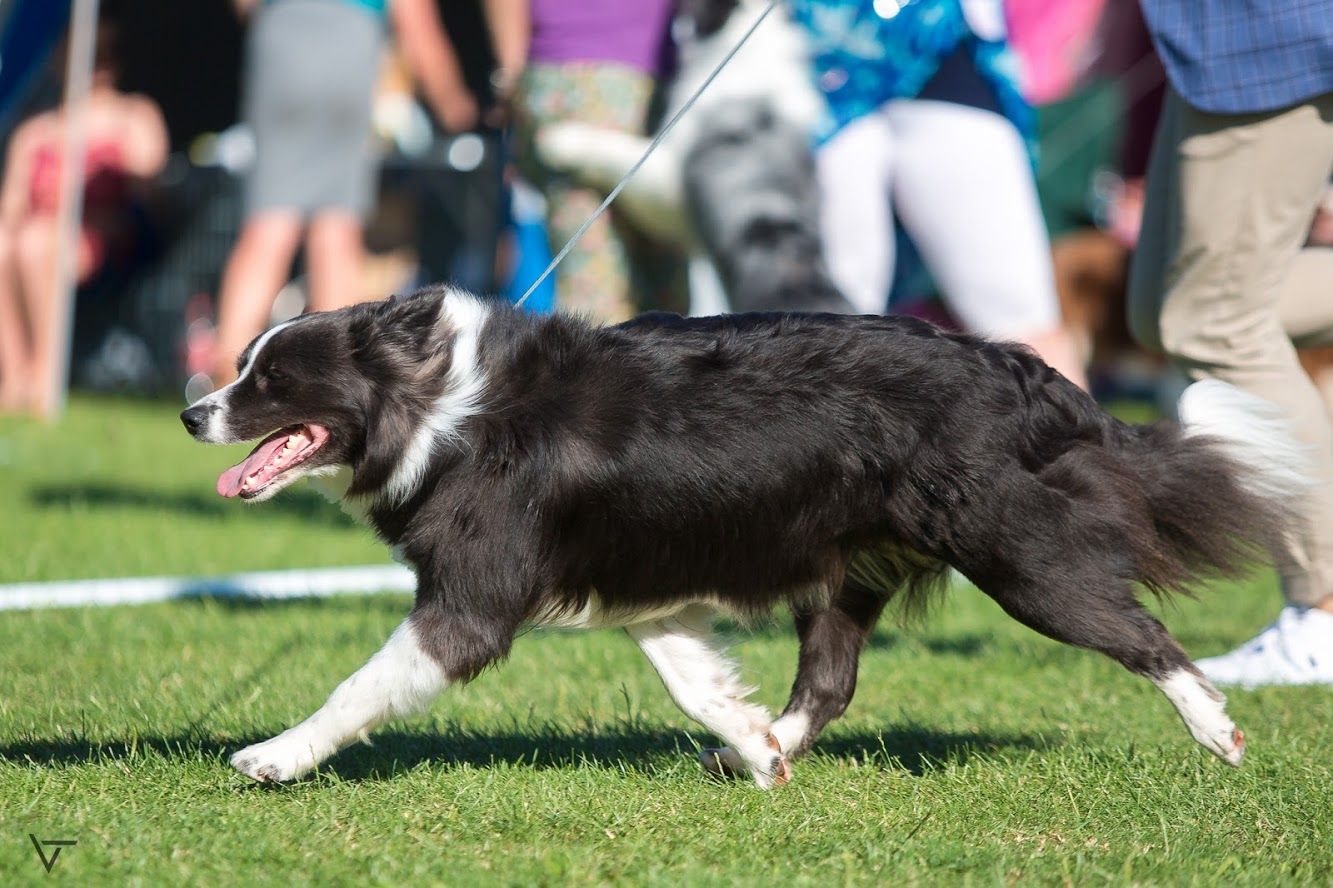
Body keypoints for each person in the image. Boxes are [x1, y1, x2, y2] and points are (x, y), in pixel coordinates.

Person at [1128, 0, 1333, 686]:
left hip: (1268, 42)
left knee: (1216, 325)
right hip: (1212, 49)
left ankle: (1325, 612)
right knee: (1163, 312)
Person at [790, 0, 1087, 389]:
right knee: (823, 329)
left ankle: (1075, 446)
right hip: (806, 52)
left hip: (942, 45)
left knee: (1024, 323)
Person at [212, 0, 477, 387]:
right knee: (336, 229)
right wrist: (457, 108)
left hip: (280, 36)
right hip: (348, 44)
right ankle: (332, 378)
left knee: (269, 224)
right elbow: (416, 22)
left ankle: (225, 375)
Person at [0, 20, 167, 414]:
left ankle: (44, 374)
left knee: (38, 242)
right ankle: (14, 372)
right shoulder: (36, 131)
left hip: (105, 238)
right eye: (89, 54)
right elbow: (11, 204)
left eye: (105, 54)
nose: (98, 65)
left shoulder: (136, 115)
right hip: (37, 232)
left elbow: (153, 195)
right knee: (10, 241)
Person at [482, 0, 684, 323]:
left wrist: (511, 77)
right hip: (611, 80)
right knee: (649, 295)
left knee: (603, 287)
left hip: (577, 82)